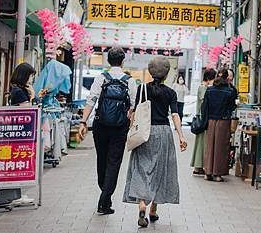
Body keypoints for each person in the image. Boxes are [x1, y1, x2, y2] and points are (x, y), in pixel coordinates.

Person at [123, 57, 187, 228]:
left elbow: (135, 113)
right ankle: (153, 210)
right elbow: (175, 115)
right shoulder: (170, 93)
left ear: (150, 72)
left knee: (141, 167)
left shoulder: (142, 88)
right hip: (163, 133)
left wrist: (130, 132)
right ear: (166, 73)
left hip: (144, 132)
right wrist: (181, 136)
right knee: (160, 170)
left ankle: (142, 203)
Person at [79, 47, 137, 215]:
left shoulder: (101, 78)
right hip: (120, 128)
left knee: (102, 160)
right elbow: (133, 106)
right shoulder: (130, 81)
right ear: (123, 61)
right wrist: (129, 124)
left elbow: (91, 101)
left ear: (108, 61)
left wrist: (83, 122)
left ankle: (104, 194)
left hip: (100, 126)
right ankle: (105, 199)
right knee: (114, 162)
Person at [202, 69, 237, 182]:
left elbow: (204, 107)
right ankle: (217, 174)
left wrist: (205, 120)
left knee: (210, 147)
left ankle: (208, 172)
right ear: (227, 78)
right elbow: (232, 107)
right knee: (220, 148)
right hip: (223, 121)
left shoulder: (209, 90)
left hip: (211, 121)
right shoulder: (229, 91)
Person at [190, 68, 217, 175]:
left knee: (201, 143)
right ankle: (198, 166)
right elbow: (204, 100)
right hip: (202, 118)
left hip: (203, 117)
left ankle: (199, 166)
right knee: (201, 143)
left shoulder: (205, 87)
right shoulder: (203, 87)